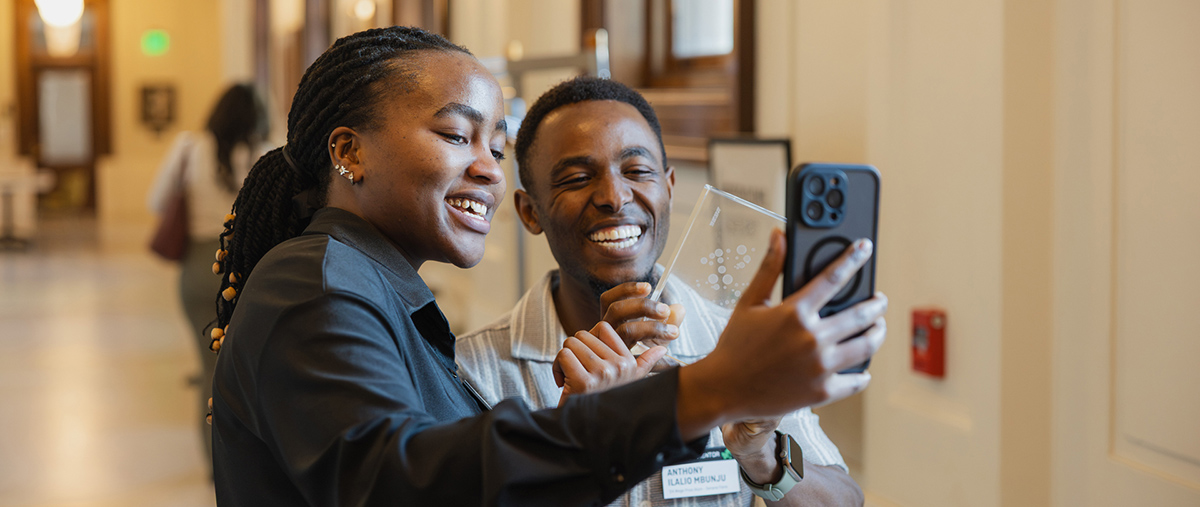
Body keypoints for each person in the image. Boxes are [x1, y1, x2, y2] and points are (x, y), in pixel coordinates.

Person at [209, 26, 887, 506]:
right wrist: (698, 394)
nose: (484, 167)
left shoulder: (383, 295)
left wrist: (614, 421)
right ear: (349, 152)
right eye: (455, 134)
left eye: (495, 148)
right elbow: (403, 484)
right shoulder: (315, 285)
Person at [455, 76, 864, 506]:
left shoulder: (740, 346)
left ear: (668, 189)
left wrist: (762, 456)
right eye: (577, 178)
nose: (614, 196)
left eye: (637, 171)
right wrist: (574, 434)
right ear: (529, 211)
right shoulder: (472, 373)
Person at [146, 83, 269, 463]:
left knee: (209, 367)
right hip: (248, 268)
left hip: (198, 269)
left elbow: (155, 200)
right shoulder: (263, 154)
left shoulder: (187, 147)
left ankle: (216, 463)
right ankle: (248, 462)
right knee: (250, 368)